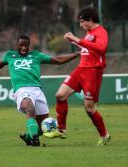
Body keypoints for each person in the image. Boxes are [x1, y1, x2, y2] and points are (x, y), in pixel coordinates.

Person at [0, 34, 80, 146]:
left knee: (43, 126)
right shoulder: (10, 55)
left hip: (37, 91)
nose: (24, 48)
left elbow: (58, 60)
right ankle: (34, 139)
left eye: (26, 45)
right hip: (21, 89)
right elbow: (0, 64)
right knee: (30, 109)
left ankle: (29, 137)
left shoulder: (36, 55)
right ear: (17, 45)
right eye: (21, 45)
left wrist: (77, 54)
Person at [44, 6, 111, 146]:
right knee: (60, 95)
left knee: (89, 108)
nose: (80, 25)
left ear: (90, 19)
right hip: (80, 70)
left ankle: (104, 135)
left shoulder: (101, 31)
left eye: (82, 22)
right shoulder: (88, 32)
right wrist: (73, 40)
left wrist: (78, 40)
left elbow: (101, 48)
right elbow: (87, 49)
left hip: (93, 72)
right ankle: (61, 130)